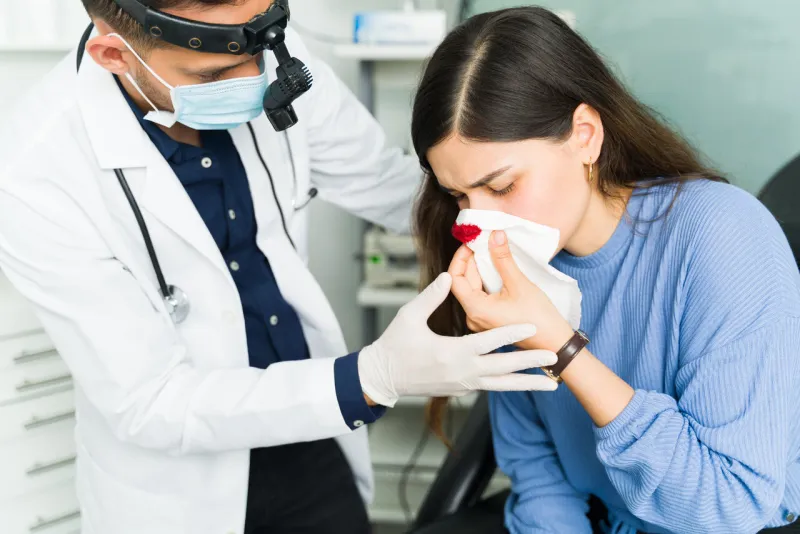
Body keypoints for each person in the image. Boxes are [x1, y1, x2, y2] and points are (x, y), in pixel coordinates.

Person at [0, 1, 560, 534]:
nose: (252, 83)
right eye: (214, 75)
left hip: (313, 437)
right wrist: (372, 376)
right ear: (116, 56)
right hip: (178, 487)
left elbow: (395, 190)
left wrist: (537, 223)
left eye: (258, 57)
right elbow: (151, 401)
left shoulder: (267, 57)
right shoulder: (35, 171)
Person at [410, 6, 800, 534]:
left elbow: (726, 505)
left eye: (501, 187)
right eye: (460, 195)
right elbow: (538, 468)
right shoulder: (515, 270)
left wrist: (561, 346)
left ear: (585, 135)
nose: (479, 221)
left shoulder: (721, 235)